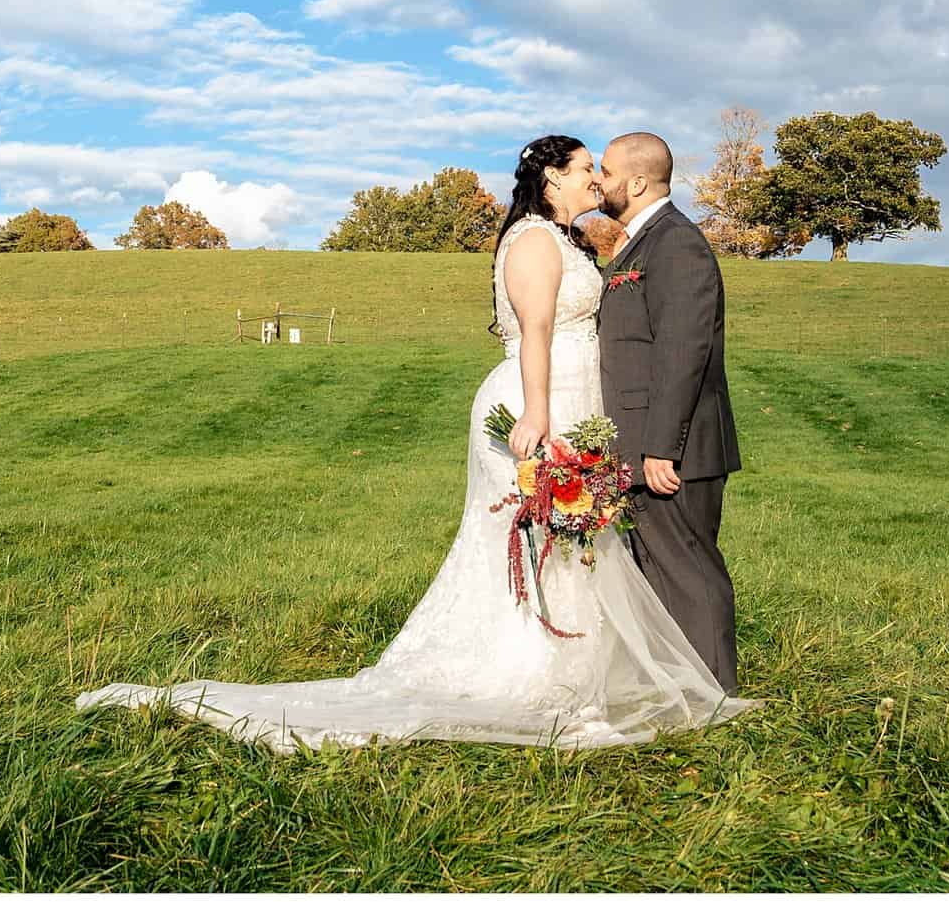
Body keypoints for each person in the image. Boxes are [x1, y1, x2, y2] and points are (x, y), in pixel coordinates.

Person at [75, 134, 755, 752]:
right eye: (584, 170)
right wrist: (541, 413)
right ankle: (540, 674)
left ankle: (592, 669)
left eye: (600, 171)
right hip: (539, 403)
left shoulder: (580, 238)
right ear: (550, 178)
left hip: (579, 402)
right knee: (541, 542)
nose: (595, 181)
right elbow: (538, 330)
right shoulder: (535, 241)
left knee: (572, 545)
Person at [592, 132, 742, 693]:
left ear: (635, 181)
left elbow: (684, 349)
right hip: (643, 442)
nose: (598, 182)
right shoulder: (639, 242)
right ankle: (680, 688)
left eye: (605, 172)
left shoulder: (675, 243)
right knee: (658, 570)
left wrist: (660, 446)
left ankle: (716, 694)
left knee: (689, 568)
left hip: (674, 448)